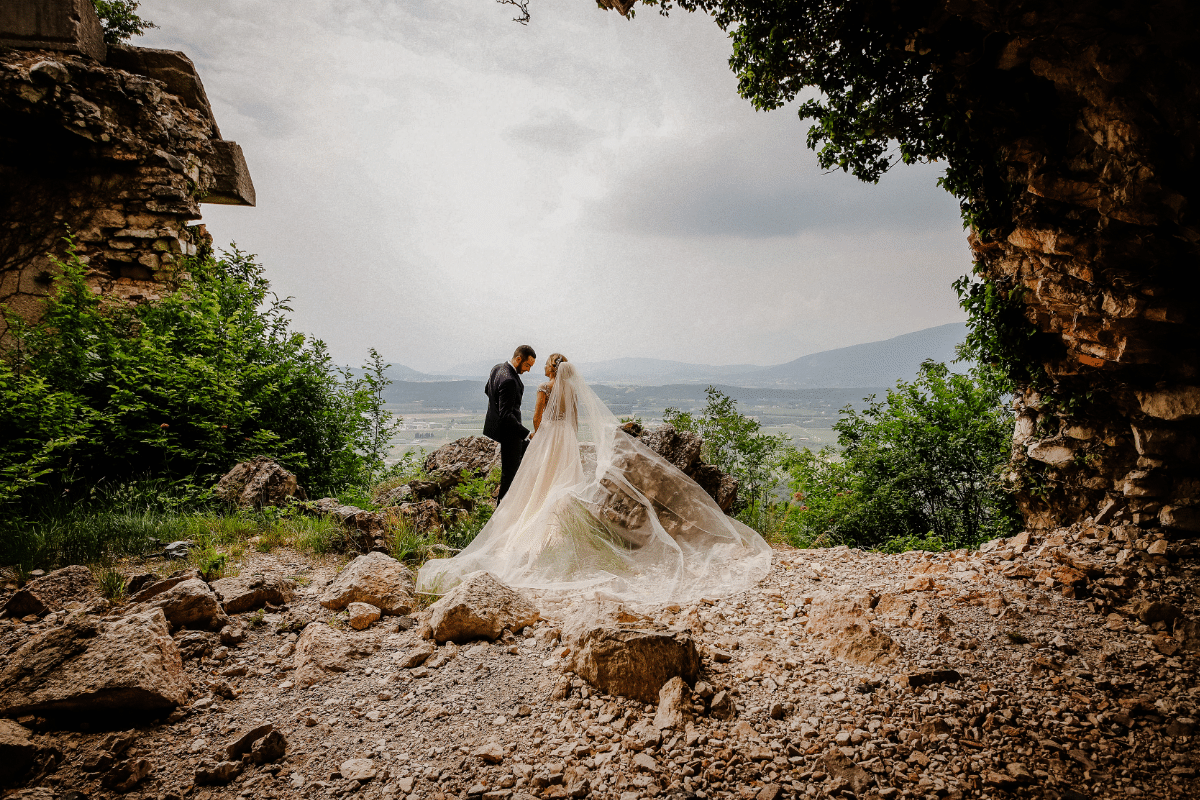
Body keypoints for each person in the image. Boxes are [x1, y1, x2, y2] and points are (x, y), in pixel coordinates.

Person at [418, 356, 771, 606]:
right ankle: (560, 527)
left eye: (545, 365)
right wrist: (567, 439)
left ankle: (531, 524)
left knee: (534, 486)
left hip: (547, 439)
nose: (540, 368)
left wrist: (537, 439)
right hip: (567, 440)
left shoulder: (544, 387)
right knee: (563, 480)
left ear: (552, 369)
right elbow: (572, 421)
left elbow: (539, 420)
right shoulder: (571, 392)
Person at [483, 345, 536, 503]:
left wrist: (495, 410)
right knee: (509, 474)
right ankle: (501, 511)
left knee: (526, 455)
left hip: (504, 429)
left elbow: (488, 390)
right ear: (519, 359)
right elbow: (506, 415)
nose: (528, 370)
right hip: (510, 433)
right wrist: (527, 433)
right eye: (527, 365)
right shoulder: (510, 380)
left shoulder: (497, 368)